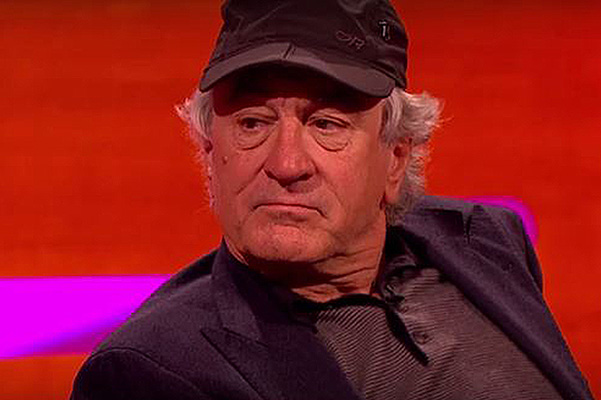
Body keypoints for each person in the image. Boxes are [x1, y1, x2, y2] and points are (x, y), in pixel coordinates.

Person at [70, 0, 593, 399]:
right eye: (252, 123)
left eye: (327, 124)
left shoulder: (486, 239)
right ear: (210, 153)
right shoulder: (150, 371)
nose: (286, 164)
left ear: (395, 158)